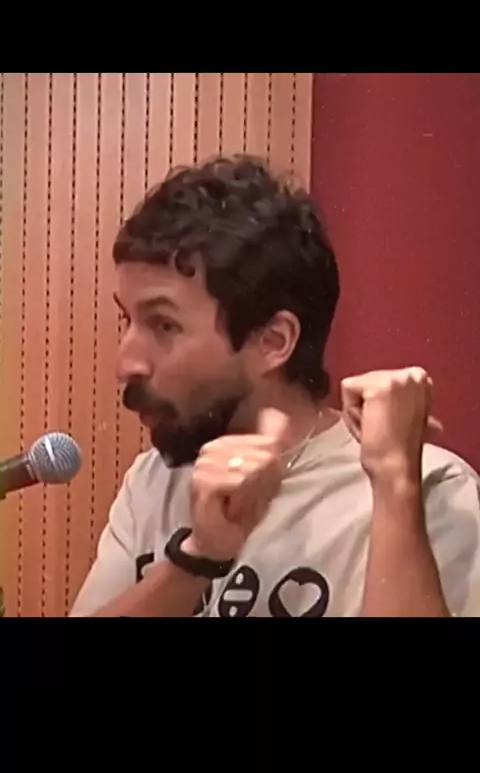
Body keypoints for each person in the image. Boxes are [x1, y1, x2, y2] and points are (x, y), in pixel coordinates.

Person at [70, 155, 480, 618]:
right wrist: (197, 559)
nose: (125, 363)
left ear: (273, 341)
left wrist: (394, 484)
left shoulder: (429, 490)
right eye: (127, 320)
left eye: (163, 325)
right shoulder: (153, 481)